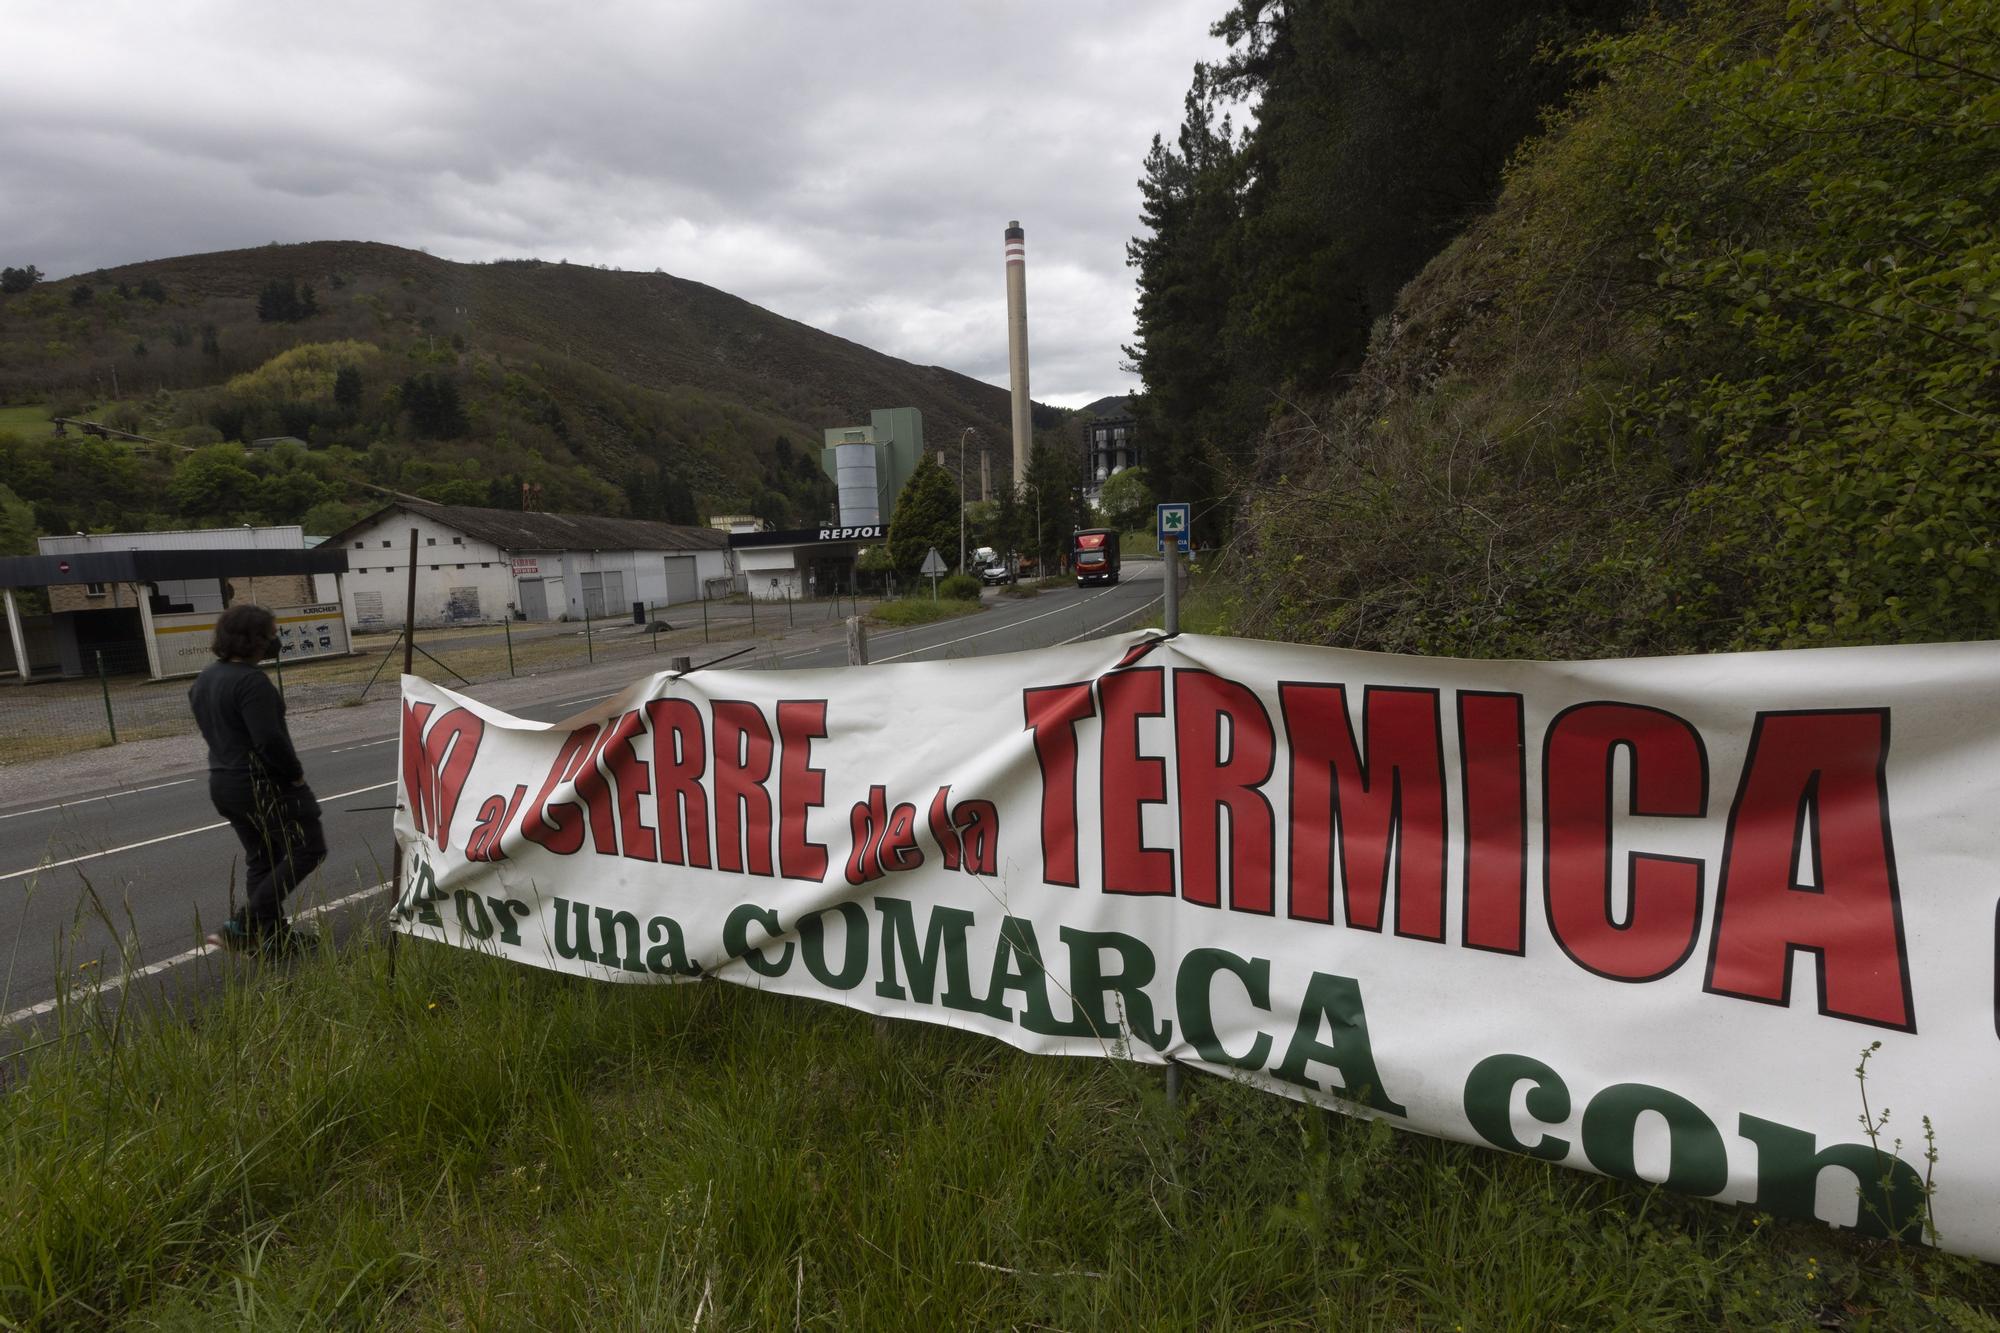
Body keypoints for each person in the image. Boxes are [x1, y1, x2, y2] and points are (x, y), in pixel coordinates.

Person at [189, 603, 326, 957]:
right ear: (253, 639)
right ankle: (243, 925)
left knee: (263, 859)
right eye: (270, 634)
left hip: (223, 782)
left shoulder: (206, 679)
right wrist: (294, 775)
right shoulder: (252, 682)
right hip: (262, 784)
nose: (274, 641)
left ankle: (272, 941)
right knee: (308, 848)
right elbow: (268, 740)